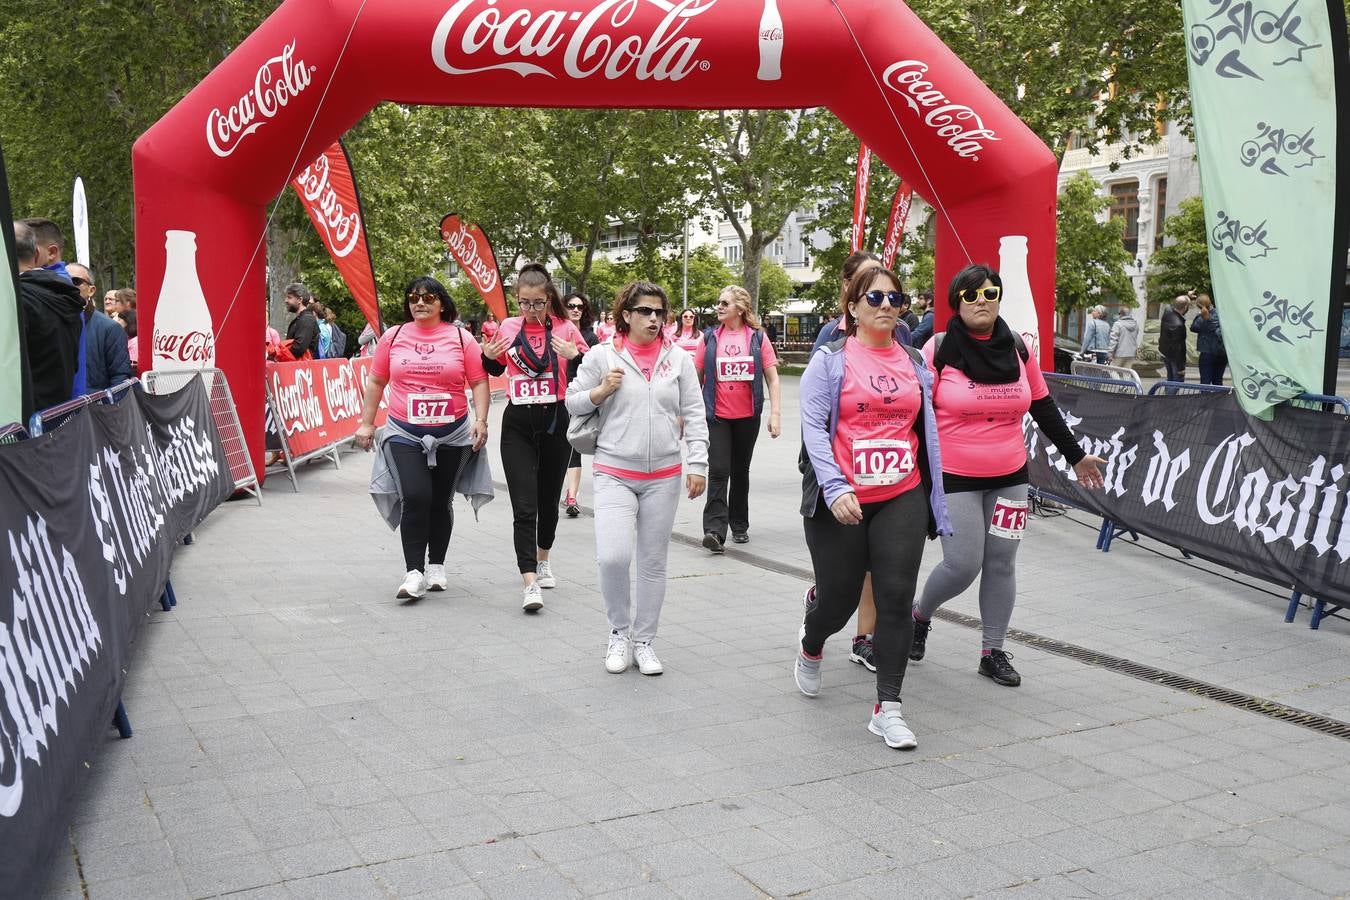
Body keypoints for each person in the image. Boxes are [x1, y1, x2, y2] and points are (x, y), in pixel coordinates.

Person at [911, 264, 1106, 686]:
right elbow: (916, 413)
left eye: (989, 292)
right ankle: (920, 616)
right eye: (970, 295)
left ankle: (992, 651)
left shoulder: (1018, 348)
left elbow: (1042, 405)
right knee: (963, 565)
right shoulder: (938, 349)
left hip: (1010, 476)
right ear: (955, 302)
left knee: (1001, 563)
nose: (981, 301)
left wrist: (1077, 457)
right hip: (956, 476)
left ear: (999, 297)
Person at [795, 266, 950, 749]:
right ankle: (811, 642)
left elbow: (926, 434)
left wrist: (936, 501)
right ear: (853, 306)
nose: (886, 305)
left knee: (896, 597)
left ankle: (888, 707)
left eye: (895, 298)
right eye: (875, 297)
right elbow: (814, 431)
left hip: (901, 492)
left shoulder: (915, 363)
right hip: (842, 498)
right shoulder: (830, 360)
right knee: (839, 602)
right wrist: (836, 487)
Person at [566, 281, 709, 676]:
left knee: (652, 562)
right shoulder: (600, 356)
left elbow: (695, 413)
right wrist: (599, 391)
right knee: (613, 557)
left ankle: (644, 640)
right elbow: (571, 400)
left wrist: (698, 464)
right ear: (625, 315)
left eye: (659, 312)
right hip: (614, 469)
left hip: (664, 473)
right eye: (645, 311)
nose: (654, 319)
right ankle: (618, 632)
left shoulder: (677, 358)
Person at [354, 277, 490, 599]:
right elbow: (376, 382)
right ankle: (413, 572)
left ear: (441, 302)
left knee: (441, 499)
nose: (420, 303)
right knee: (415, 496)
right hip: (405, 431)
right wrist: (366, 423)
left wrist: (481, 421)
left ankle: (437, 564)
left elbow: (479, 382)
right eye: (414, 297)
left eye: (428, 297)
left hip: (453, 434)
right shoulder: (393, 336)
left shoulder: (461, 338)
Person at [481, 263, 588, 612]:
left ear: (549, 298)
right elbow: (495, 368)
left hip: (556, 422)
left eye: (538, 303)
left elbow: (588, 370)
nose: (531, 310)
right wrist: (488, 357)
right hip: (518, 424)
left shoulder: (565, 328)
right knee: (523, 506)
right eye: (525, 303)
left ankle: (543, 559)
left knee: (547, 503)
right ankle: (529, 581)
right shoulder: (508, 327)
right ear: (516, 299)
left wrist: (575, 357)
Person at [806, 251, 895, 672]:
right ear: (850, 291)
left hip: (889, 475)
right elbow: (816, 412)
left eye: (892, 296)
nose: (884, 304)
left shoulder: (902, 335)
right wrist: (828, 474)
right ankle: (823, 602)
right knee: (844, 575)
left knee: (877, 567)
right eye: (870, 290)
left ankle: (865, 637)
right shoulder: (829, 338)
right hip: (834, 466)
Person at [698, 285, 782, 551]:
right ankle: (714, 530)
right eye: (718, 302)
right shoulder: (710, 337)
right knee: (719, 470)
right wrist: (684, 414)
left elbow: (772, 377)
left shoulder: (757, 338)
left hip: (748, 416)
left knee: (740, 471)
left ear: (740, 308)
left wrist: (775, 413)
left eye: (724, 303)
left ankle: (739, 524)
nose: (719, 307)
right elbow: (694, 376)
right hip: (718, 416)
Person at [14, 221, 82, 412]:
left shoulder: (15, 301)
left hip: (20, 427)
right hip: (59, 418)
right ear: (36, 255)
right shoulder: (67, 296)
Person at [562, 292, 599, 518]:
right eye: (571, 306)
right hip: (556, 396)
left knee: (573, 446)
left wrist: (576, 355)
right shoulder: (556, 332)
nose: (576, 310)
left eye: (580, 307)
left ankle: (572, 496)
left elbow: (595, 367)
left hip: (580, 397)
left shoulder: (590, 338)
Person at [68, 263, 131, 392]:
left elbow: (120, 379)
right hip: (54, 408)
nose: (68, 286)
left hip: (96, 408)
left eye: (75, 281)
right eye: (63, 280)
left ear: (91, 290)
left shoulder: (110, 328)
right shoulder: (49, 323)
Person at [1191, 294, 1226, 385]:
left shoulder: (1202, 318)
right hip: (1222, 353)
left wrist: (1200, 315)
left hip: (1207, 353)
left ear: (1198, 306)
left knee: (1205, 382)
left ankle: (1205, 399)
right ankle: (1219, 399)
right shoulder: (1221, 313)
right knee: (1218, 381)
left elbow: (1193, 328)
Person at [284, 284, 320, 359]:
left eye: (289, 297)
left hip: (301, 368)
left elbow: (299, 348)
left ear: (300, 300)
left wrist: (280, 355)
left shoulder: (306, 319)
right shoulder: (301, 319)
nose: (286, 300)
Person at [1159, 295, 1190, 383]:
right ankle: (1169, 396)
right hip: (1174, 357)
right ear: (1185, 307)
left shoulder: (1167, 314)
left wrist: (1187, 296)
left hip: (1165, 352)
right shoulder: (1179, 325)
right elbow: (1178, 348)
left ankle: (1167, 396)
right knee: (1177, 381)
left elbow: (1175, 304)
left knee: (1170, 378)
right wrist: (1181, 367)